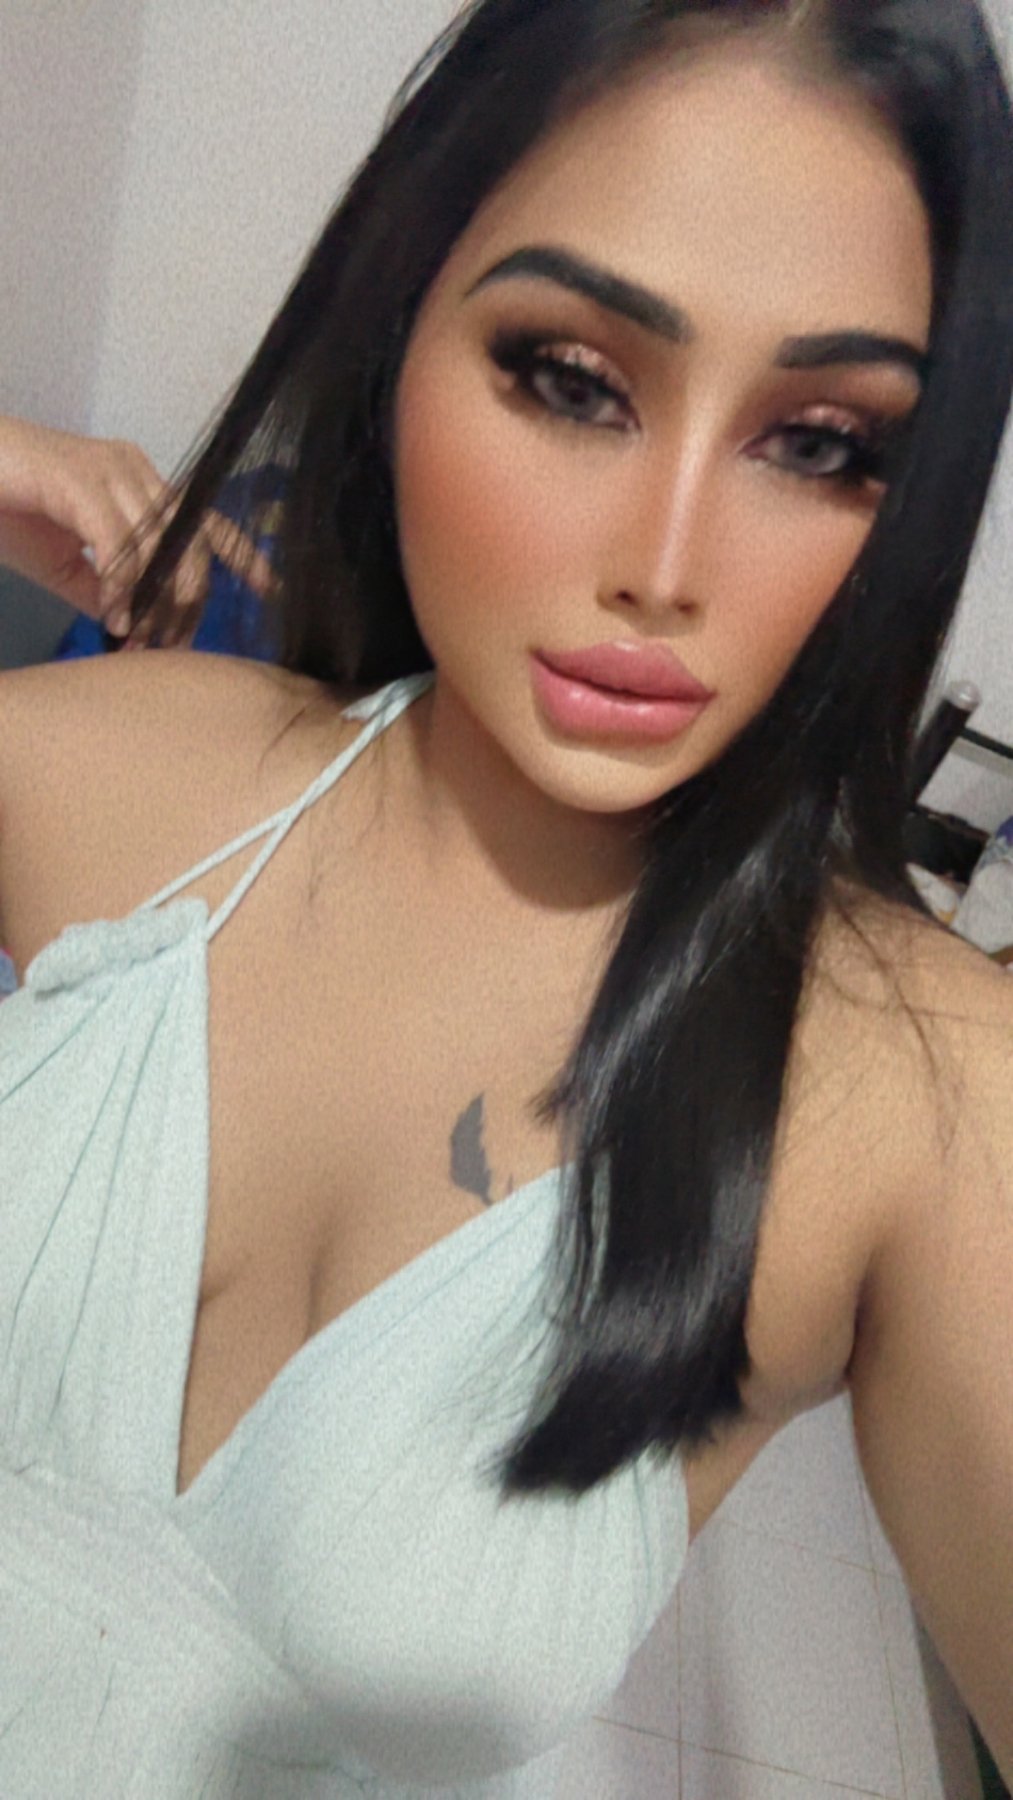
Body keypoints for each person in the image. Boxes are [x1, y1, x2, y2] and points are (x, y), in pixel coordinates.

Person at [0, 0, 1011, 1793]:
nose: (665, 566)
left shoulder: (916, 1100)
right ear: (400, 327)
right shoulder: (109, 778)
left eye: (818, 442)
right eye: (569, 378)